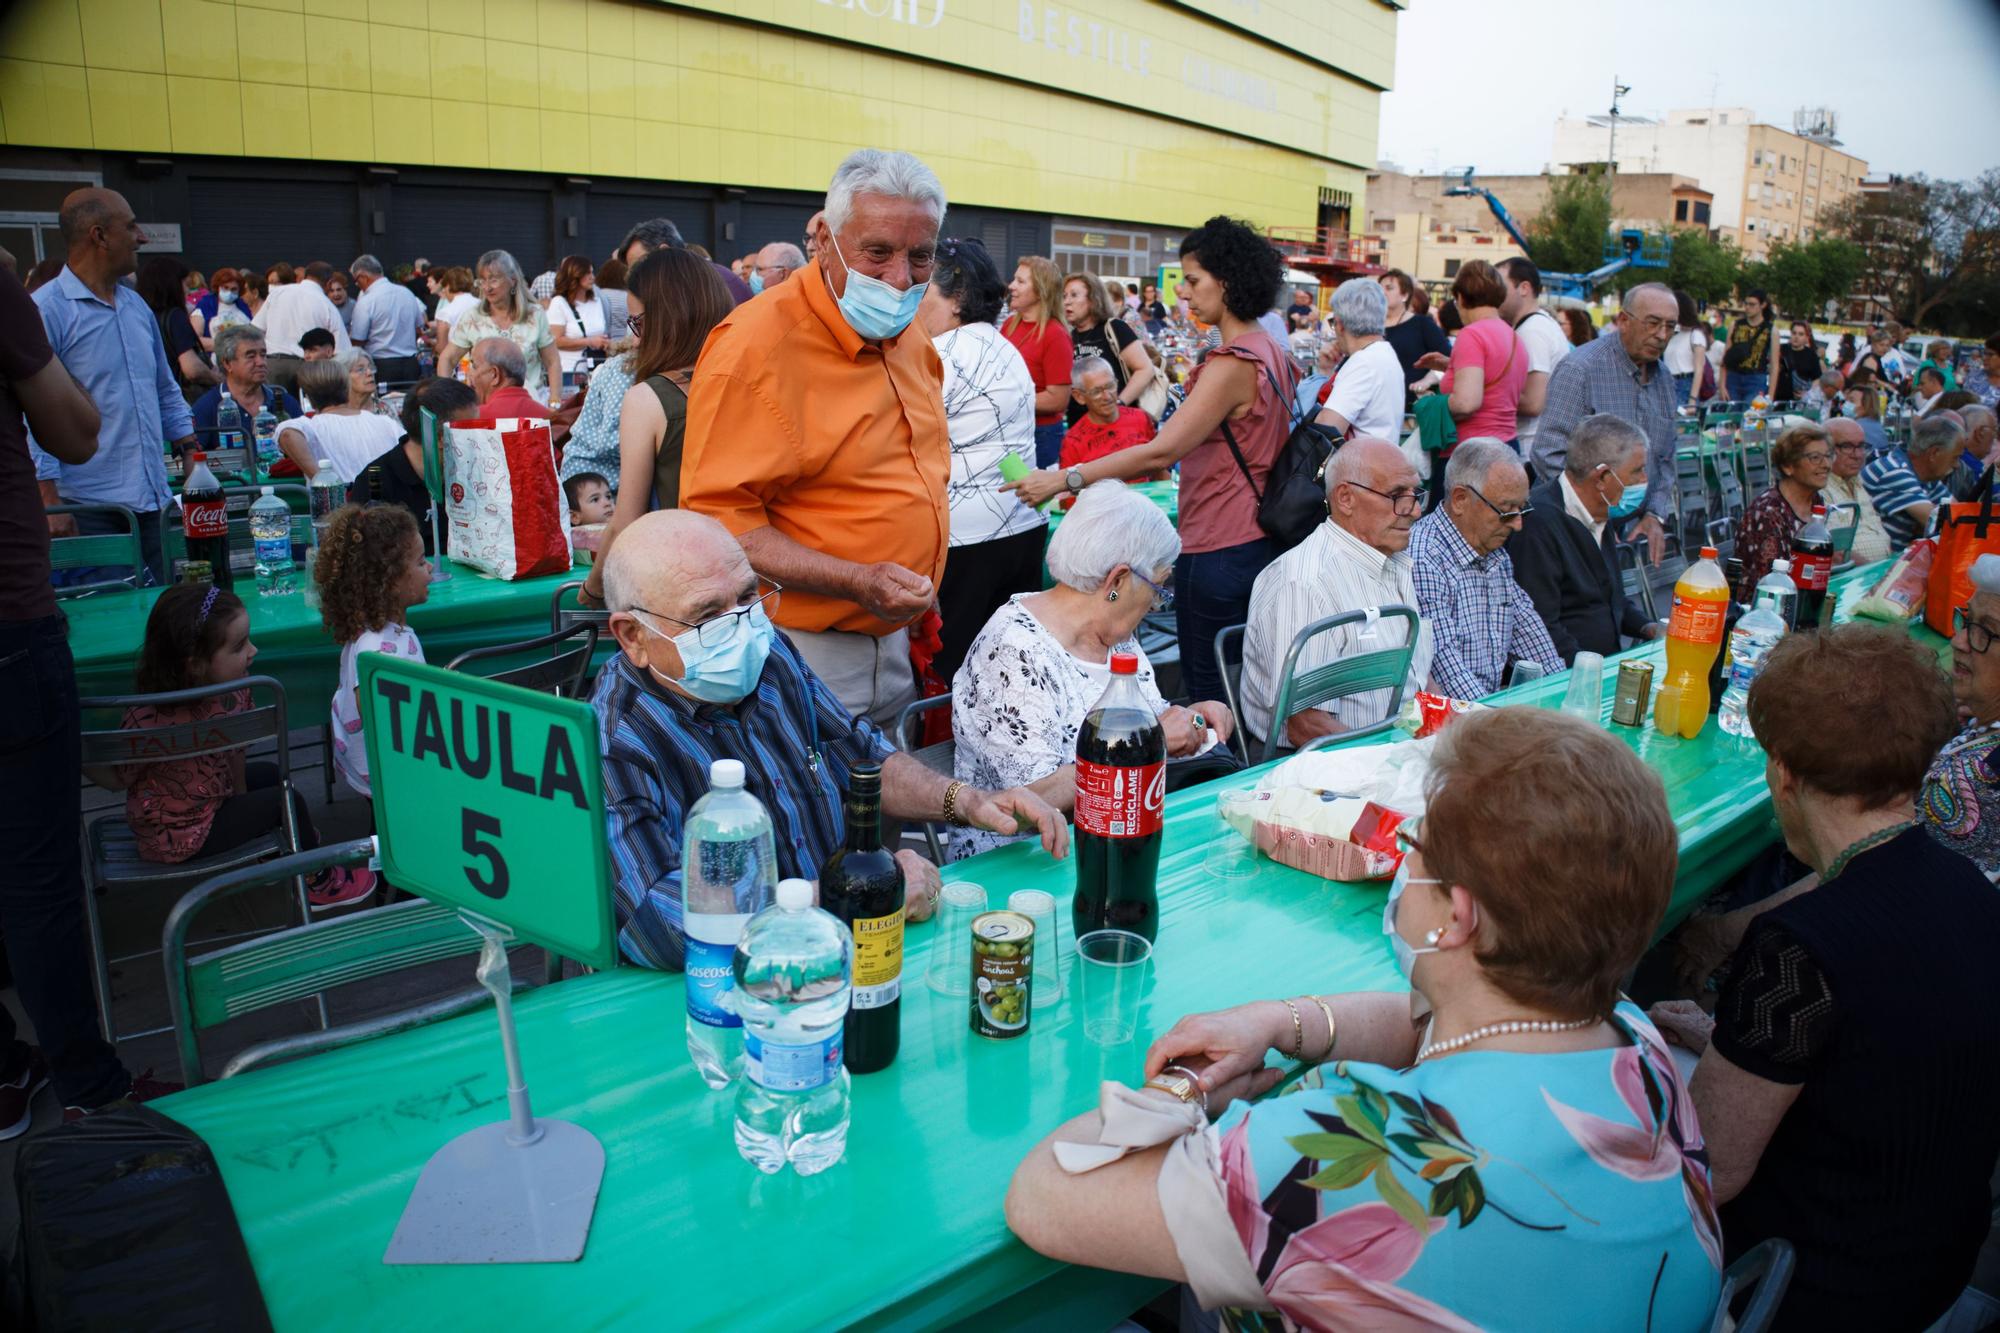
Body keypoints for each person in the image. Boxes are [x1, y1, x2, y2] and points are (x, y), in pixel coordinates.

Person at [1009, 706, 1722, 1331]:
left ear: (1457, 916)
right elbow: (1442, 1029)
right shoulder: (1636, 1045)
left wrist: (1188, 1092)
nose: (1399, 862)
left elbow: (1045, 1193)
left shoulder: (1358, 1156)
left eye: (1411, 846)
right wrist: (1285, 1021)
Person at [1648, 627, 2000, 1330]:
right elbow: (1872, 1052)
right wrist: (1730, 1040)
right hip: (1934, 1263)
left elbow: (1706, 1170)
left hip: (1810, 1286)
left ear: (1784, 773)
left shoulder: (1800, 950)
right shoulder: (1970, 887)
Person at [591, 509, 1067, 970]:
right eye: (708, 614)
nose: (741, 623)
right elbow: (655, 917)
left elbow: (856, 754)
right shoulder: (614, 736)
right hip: (721, 993)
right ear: (632, 635)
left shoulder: (766, 649)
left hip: (839, 953)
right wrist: (854, 896)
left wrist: (967, 802)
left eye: (747, 595)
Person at [680, 149, 950, 728]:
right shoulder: (755, 348)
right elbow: (716, 523)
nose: (899, 279)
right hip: (805, 650)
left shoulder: (909, 332)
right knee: (817, 813)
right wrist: (856, 579)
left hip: (895, 642)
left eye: (920, 257)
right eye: (876, 252)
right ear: (824, 239)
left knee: (881, 809)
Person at [2, 261, 175, 1133]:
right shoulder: (20, 297)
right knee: (38, 873)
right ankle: (89, 1085)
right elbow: (74, 430)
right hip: (10, 620)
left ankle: (7, 1063)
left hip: (130, 507)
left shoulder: (134, 305)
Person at [1006, 215, 1292, 707]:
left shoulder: (1234, 363)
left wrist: (1064, 478)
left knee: (1210, 697)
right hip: (1258, 538)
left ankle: (1217, 776)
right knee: (1243, 684)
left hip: (1220, 542)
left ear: (1227, 282)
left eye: (1194, 280)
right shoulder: (1273, 351)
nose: (1185, 293)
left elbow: (1163, 449)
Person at [951, 482, 1233, 859]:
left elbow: (1153, 718)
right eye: (1159, 588)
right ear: (1116, 582)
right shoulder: (1011, 652)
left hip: (1122, 839)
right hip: (1030, 866)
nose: (1155, 605)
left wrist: (1193, 721)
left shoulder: (1115, 635)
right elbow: (1029, 804)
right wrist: (1153, 739)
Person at [92, 585, 375, 908]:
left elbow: (117, 779)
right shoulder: (232, 696)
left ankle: (280, 851)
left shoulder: (148, 712)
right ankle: (316, 881)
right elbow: (234, 760)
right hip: (181, 836)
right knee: (285, 801)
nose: (253, 651)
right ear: (195, 664)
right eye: (240, 646)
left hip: (201, 804)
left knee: (270, 775)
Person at [29, 188, 193, 586]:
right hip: (88, 506)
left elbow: (165, 389)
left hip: (153, 501)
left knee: (165, 616)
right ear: (99, 236)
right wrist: (49, 501)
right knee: (114, 620)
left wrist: (191, 455)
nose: (142, 237)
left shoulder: (136, 306)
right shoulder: (47, 309)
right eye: (131, 226)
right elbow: (29, 414)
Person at [1240, 438, 1432, 749]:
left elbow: (1419, 677)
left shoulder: (1392, 561)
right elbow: (1305, 724)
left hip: (1397, 745)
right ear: (1345, 498)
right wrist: (1395, 763)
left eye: (1416, 494)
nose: (1416, 511)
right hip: (1325, 766)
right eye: (1397, 495)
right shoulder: (1305, 583)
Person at [916, 236, 1045, 683]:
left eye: (923, 291)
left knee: (957, 665)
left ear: (957, 299)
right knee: (1007, 659)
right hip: (1021, 522)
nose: (914, 302)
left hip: (967, 535)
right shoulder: (1004, 347)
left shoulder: (943, 354)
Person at [576, 248, 734, 607]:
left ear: (668, 319)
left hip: (684, 585)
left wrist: (591, 592)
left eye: (639, 323)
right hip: (755, 579)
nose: (635, 339)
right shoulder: (753, 379)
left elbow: (626, 521)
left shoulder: (649, 398)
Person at [1530, 283, 1679, 565]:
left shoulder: (1665, 381)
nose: (1661, 335)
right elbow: (1549, 453)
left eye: (1670, 327)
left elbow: (1666, 459)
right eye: (1653, 324)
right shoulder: (1581, 369)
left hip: (1631, 534)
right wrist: (1595, 515)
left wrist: (1654, 514)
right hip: (1573, 528)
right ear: (1623, 321)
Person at [1409, 437, 1563, 699]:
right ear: (1460, 499)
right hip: (1455, 723)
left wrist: (1562, 696)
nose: (1517, 525)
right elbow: (1447, 672)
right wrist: (1491, 725)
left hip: (1484, 711)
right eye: (1506, 511)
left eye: (1521, 509)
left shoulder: (1495, 555)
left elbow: (1536, 644)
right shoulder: (1425, 557)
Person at [1510, 413, 1660, 662]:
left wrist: (1647, 627)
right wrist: (1590, 678)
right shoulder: (1538, 524)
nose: (1644, 480)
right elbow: (1541, 628)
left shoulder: (1601, 510)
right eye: (1638, 471)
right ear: (1602, 478)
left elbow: (1612, 598)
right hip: (1570, 679)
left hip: (1603, 665)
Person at [316, 503, 430, 799]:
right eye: (420, 562)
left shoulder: (381, 631)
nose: (429, 568)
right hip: (391, 777)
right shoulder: (376, 649)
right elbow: (381, 719)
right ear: (390, 581)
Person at [1419, 261, 1526, 504]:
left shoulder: (1471, 334)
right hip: (1506, 447)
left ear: (1460, 297)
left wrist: (1432, 404)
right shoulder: (1514, 336)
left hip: (1469, 458)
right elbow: (1496, 380)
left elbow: (1466, 403)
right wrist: (1451, 365)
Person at [348, 376, 478, 552]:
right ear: (440, 438)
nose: (479, 436)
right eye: (471, 429)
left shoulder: (474, 471)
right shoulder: (374, 483)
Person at [1732, 421, 1832, 598]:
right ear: (1788, 466)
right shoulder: (1767, 512)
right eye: (1815, 458)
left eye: (1828, 456)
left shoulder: (1816, 501)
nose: (1826, 464)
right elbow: (1769, 585)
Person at [447, 249, 560, 401]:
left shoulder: (535, 314)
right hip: (486, 412)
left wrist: (555, 400)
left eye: (493, 280)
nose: (487, 287)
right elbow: (447, 359)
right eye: (482, 280)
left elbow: (552, 362)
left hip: (530, 406)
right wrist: (449, 399)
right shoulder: (472, 317)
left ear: (513, 280)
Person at [1308, 275, 1403, 444]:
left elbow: (1325, 429)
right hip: (1378, 462)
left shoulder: (1364, 363)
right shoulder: (1384, 352)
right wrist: (1326, 370)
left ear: (1340, 323)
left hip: (1358, 467)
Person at [276, 359, 401, 483]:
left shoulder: (310, 426)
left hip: (351, 500)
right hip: (387, 498)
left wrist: (324, 484)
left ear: (308, 396)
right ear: (347, 387)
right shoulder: (386, 423)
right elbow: (287, 434)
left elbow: (287, 434)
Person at [1001, 256, 1073, 466]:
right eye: (1014, 279)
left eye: (1021, 282)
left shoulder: (1055, 335)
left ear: (1041, 290)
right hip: (1011, 429)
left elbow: (1058, 400)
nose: (1011, 286)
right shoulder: (1009, 325)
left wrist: (1005, 401)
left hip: (1040, 434)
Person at [1496, 257, 1571, 454]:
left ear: (1524, 288)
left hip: (1528, 450)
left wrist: (1481, 391)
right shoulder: (1538, 325)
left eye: (1500, 286)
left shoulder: (1532, 331)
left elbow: (1533, 402)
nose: (1494, 294)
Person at [1061, 271, 1155, 429]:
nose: (1067, 302)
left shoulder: (1114, 328)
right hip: (1081, 429)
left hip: (1117, 427)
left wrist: (1119, 403)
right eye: (1065, 296)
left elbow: (1145, 369)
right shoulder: (1069, 337)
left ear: (1093, 299)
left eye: (1074, 295)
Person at [1861, 409, 1962, 549]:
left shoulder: (1928, 476)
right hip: (1876, 565)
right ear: (1934, 453)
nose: (1957, 465)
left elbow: (1959, 516)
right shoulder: (1893, 471)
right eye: (1955, 457)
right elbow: (1946, 526)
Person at [191, 324, 302, 445]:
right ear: (228, 363)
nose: (261, 362)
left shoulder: (284, 402)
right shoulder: (207, 408)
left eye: (263, 355)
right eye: (251, 356)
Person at [254, 259, 351, 397]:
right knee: (306, 413)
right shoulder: (327, 305)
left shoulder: (278, 293)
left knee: (276, 412)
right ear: (329, 283)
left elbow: (256, 329)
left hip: (274, 365)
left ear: (305, 276)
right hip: (308, 367)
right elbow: (343, 350)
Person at [616, 215, 754, 305]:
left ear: (663, 252)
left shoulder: (712, 285)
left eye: (639, 266)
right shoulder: (680, 286)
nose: (636, 278)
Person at [135, 257, 217, 401]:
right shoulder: (175, 317)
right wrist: (215, 378)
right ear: (172, 285)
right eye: (185, 284)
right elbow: (192, 369)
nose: (187, 290)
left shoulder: (139, 315)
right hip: (179, 398)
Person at [1060, 357, 1157, 472]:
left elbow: (1159, 467)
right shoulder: (1073, 442)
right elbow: (1069, 485)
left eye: (1110, 386)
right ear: (1079, 397)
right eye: (1096, 392)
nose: (1107, 397)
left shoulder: (1141, 418)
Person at [346, 254, 427, 384]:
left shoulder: (366, 301)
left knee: (382, 403)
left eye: (356, 280)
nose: (356, 284)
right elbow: (419, 328)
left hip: (381, 365)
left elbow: (358, 340)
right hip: (410, 363)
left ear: (364, 277)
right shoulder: (406, 293)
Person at [1819, 418, 1890, 566]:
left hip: (1879, 572)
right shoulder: (1821, 489)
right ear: (1825, 450)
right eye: (1847, 446)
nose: (1857, 455)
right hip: (1855, 579)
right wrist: (1877, 574)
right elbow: (1837, 552)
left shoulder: (1857, 481)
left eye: (1861, 446)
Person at [1379, 267, 1448, 401]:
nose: (1382, 292)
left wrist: (1426, 381)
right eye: (1379, 288)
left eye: (1389, 288)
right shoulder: (1370, 325)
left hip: (1410, 406)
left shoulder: (1422, 324)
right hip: (1375, 404)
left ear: (1405, 295)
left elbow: (1447, 360)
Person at [545, 254, 609, 381]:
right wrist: (589, 341)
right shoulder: (559, 303)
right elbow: (555, 341)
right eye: (587, 273)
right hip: (571, 371)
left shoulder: (596, 301)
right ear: (575, 275)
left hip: (597, 370)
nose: (592, 277)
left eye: (592, 272)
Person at [463, 336, 553, 420]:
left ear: (495, 375)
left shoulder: (471, 419)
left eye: (474, 366)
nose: (469, 374)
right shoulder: (549, 419)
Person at [1721, 290, 1781, 402]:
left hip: (1756, 378)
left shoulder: (1771, 330)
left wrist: (1770, 396)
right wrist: (1722, 385)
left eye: (1752, 304)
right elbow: (1726, 357)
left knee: (1750, 416)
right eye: (1746, 304)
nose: (1747, 307)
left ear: (1763, 305)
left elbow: (1774, 365)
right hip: (1734, 376)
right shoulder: (1735, 325)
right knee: (1731, 415)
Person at [1663, 289, 1709, 407]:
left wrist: (1692, 400)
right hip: (1667, 383)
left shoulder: (1696, 335)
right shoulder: (1674, 334)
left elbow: (1699, 370)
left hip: (1684, 384)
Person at [429, 266, 477, 357]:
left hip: (459, 364)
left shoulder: (445, 312)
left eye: (444, 287)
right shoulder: (481, 305)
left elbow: (442, 347)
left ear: (448, 286)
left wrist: (434, 346)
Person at [1955, 404, 1997, 497]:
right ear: (1980, 433)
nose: (1995, 436)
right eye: (1994, 430)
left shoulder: (1958, 457)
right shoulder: (1967, 462)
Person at [1775, 319, 1822, 402]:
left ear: (1807, 337)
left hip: (1798, 400)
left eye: (1801, 334)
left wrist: (1807, 394)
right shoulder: (1780, 349)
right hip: (1778, 397)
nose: (1796, 337)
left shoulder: (1811, 355)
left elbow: (1817, 379)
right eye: (1794, 333)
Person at [324, 269, 356, 334]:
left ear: (345, 289)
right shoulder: (324, 308)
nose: (336, 294)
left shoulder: (354, 306)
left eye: (339, 289)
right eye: (331, 291)